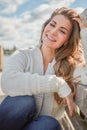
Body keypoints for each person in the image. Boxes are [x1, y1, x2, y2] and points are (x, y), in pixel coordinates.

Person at [0, 7, 87, 130]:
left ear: (67, 41)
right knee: (24, 102)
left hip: (41, 127)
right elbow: (7, 82)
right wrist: (58, 84)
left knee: (49, 123)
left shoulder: (70, 67)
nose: (53, 32)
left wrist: (84, 32)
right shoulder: (24, 55)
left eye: (62, 31)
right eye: (52, 24)